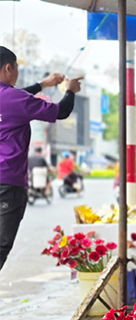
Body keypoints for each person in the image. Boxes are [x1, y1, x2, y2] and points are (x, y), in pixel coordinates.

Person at [0, 48, 78, 271]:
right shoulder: (14, 99)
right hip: (7, 182)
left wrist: (43, 84)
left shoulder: (12, 98)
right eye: (16, 68)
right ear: (8, 68)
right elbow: (61, 111)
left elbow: (14, 98)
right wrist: (71, 91)